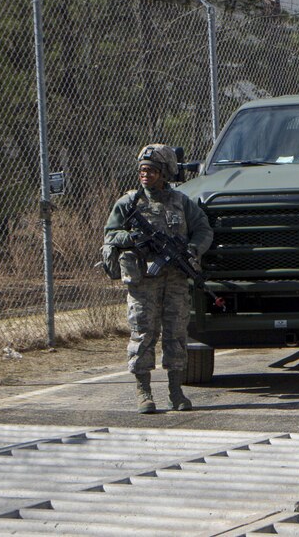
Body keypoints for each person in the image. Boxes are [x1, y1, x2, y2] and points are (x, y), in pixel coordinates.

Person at [104, 144, 213, 414]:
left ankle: (175, 392)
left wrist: (192, 249)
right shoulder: (128, 203)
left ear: (164, 173)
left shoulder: (182, 202)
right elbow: (110, 234)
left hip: (175, 279)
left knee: (176, 335)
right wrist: (131, 238)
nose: (146, 175)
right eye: (142, 170)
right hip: (143, 282)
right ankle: (144, 393)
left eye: (151, 170)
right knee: (143, 335)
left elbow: (203, 230)